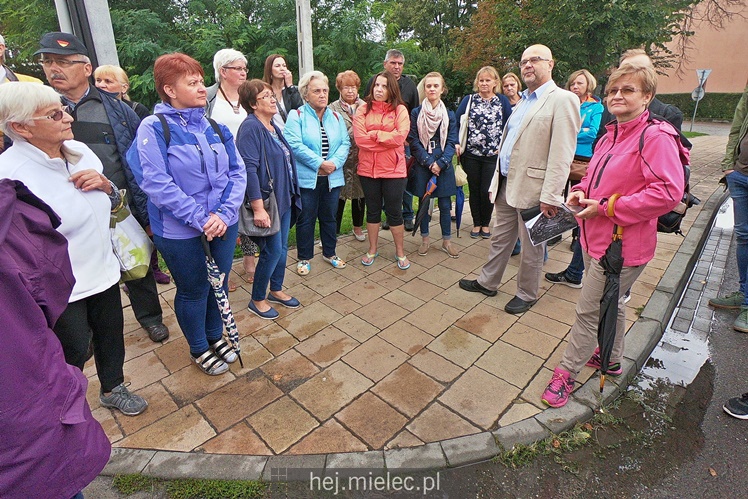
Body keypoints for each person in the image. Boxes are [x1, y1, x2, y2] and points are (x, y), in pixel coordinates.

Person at [541, 64, 688, 408]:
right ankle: (612, 358)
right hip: (597, 238)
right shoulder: (611, 134)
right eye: (613, 91)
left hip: (622, 246)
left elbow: (668, 192)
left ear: (647, 96)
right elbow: (596, 178)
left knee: (588, 310)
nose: (617, 96)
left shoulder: (655, 136)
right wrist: (579, 191)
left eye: (628, 90)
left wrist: (605, 208)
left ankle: (566, 373)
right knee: (614, 302)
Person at [0, 82, 149, 416]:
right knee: (73, 347)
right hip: (59, 286)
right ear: (21, 127)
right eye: (54, 114)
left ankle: (113, 387)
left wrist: (108, 187)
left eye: (63, 109)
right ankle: (66, 404)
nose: (67, 117)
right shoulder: (9, 175)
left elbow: (111, 205)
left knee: (111, 333)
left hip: (103, 268)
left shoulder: (79, 151)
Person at [35, 32, 169, 343]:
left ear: (86, 68)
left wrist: (144, 212)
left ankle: (150, 318)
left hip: (117, 205)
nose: (54, 68)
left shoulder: (118, 109)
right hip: (65, 213)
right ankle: (92, 334)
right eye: (48, 62)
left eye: (64, 62)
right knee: (78, 271)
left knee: (136, 265)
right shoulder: (38, 112)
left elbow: (138, 162)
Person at [132, 53, 247, 375]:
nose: (201, 88)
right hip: (179, 230)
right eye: (192, 82)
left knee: (219, 284)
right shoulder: (153, 128)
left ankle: (214, 335)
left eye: (200, 81)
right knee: (194, 289)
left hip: (223, 224)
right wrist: (201, 218)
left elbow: (238, 173)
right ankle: (199, 346)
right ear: (169, 89)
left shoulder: (216, 127)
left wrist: (223, 214)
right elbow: (156, 183)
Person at [0, 179, 111, 499]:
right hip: (27, 430)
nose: (66, 123)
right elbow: (50, 285)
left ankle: (113, 382)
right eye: (51, 121)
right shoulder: (15, 212)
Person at [458, 44, 581, 315]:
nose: (527, 65)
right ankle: (488, 282)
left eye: (534, 60)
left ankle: (527, 293)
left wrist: (551, 195)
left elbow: (562, 153)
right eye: (524, 60)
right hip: (505, 183)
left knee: (532, 248)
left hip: (536, 190)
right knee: (500, 238)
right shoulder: (523, 100)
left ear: (550, 64)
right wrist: (496, 182)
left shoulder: (563, 100)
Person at [94, 64, 172, 286]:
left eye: (108, 81)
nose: (101, 85)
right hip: (107, 182)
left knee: (143, 228)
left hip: (134, 182)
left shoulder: (135, 110)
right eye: (98, 81)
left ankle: (152, 266)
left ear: (123, 86)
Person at [236, 79, 302, 320]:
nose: (273, 99)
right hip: (266, 203)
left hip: (283, 198)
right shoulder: (251, 128)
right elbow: (249, 170)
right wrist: (257, 208)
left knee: (282, 249)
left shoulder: (272, 124)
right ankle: (257, 299)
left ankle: (276, 289)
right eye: (266, 96)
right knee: (272, 251)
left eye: (272, 95)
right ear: (253, 103)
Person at [285, 71, 351, 275]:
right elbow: (294, 144)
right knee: (306, 219)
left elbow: (345, 143)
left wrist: (333, 164)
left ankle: (329, 253)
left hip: (332, 178)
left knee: (329, 217)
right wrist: (320, 163)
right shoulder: (296, 116)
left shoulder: (337, 117)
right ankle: (304, 257)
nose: (322, 95)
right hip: (308, 180)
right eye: (317, 91)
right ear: (306, 94)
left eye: (325, 90)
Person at [545, 69, 604, 288]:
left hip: (582, 160)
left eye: (579, 83)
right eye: (572, 84)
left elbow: (592, 132)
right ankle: (556, 231)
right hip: (562, 155)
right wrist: (574, 129)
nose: (575, 87)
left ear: (588, 85)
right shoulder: (567, 103)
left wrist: (567, 131)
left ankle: (576, 237)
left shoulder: (595, 107)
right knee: (558, 198)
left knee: (577, 200)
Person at [205, 48, 257, 291]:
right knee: (223, 217)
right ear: (223, 71)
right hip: (218, 171)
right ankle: (220, 271)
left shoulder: (249, 96)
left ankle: (250, 262)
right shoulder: (207, 97)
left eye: (245, 68)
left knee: (250, 212)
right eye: (238, 68)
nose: (244, 72)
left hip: (249, 166)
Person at [354, 71, 411, 270]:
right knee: (373, 210)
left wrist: (375, 134)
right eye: (376, 85)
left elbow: (400, 138)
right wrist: (387, 139)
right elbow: (360, 140)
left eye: (384, 86)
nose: (379, 89)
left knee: (395, 212)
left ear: (391, 89)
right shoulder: (362, 110)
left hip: (394, 170)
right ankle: (372, 249)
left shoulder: (401, 110)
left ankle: (400, 252)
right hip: (368, 170)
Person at [364, 49, 419, 232]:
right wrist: (381, 137)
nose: (396, 67)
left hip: (404, 143)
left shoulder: (410, 85)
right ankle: (389, 215)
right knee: (382, 182)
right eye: (393, 63)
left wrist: (406, 138)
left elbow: (414, 114)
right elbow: (367, 109)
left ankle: (407, 215)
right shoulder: (374, 82)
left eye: (400, 64)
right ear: (385, 64)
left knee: (403, 183)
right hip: (376, 148)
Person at [456, 66, 513, 239]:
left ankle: (486, 224)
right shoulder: (469, 100)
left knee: (487, 190)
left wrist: (503, 148)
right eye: (481, 80)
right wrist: (457, 143)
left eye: (488, 80)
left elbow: (510, 127)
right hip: (471, 154)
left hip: (492, 156)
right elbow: (456, 122)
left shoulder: (502, 101)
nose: (484, 83)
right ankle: (476, 223)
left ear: (495, 82)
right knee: (474, 189)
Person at [709, 82, 748, 333]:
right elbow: (737, 127)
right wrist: (728, 165)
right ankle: (744, 296)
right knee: (743, 237)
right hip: (740, 175)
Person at [408, 71, 459, 258]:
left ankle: (447, 241)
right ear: (425, 88)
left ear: (442, 89)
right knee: (423, 203)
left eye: (435, 86)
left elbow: (452, 140)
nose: (431, 89)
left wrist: (442, 163)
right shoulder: (416, 113)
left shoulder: (449, 114)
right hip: (424, 163)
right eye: (428, 86)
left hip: (443, 165)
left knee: (445, 205)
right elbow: (413, 140)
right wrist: (429, 163)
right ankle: (425, 240)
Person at [330, 70, 367, 241]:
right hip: (341, 159)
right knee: (338, 197)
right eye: (346, 87)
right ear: (339, 89)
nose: (350, 91)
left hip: (362, 158)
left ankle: (358, 227)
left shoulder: (366, 106)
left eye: (353, 87)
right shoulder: (332, 109)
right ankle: (332, 232)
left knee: (360, 195)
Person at [263, 54, 303, 131]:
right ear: (270, 69)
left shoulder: (292, 90)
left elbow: (299, 110)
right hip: (273, 134)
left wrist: (290, 86)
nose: (282, 69)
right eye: (277, 66)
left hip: (291, 135)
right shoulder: (264, 91)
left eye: (284, 66)